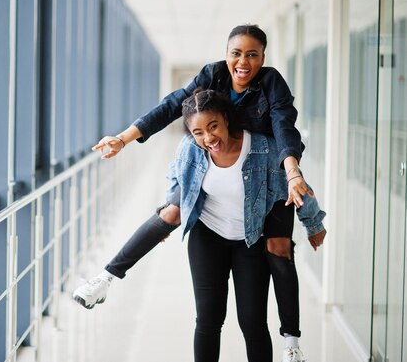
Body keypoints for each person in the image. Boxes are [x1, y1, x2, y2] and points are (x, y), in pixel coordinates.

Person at [73, 24, 326, 362]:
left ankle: (291, 344)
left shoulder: (270, 86)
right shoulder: (207, 96)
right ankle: (105, 278)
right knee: (174, 218)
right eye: (236, 53)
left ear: (263, 57)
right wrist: (124, 138)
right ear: (225, 55)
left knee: (275, 259)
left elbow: (283, 127)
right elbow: (170, 108)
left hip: (270, 173)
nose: (243, 61)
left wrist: (294, 176)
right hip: (212, 227)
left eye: (252, 54)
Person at [167, 89, 326, 361]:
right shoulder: (191, 148)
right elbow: (177, 178)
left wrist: (313, 224)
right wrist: (167, 213)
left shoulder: (262, 147)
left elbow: (298, 185)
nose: (208, 138)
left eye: (213, 126)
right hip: (208, 236)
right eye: (198, 132)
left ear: (227, 119)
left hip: (249, 239)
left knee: (252, 322)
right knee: (208, 319)